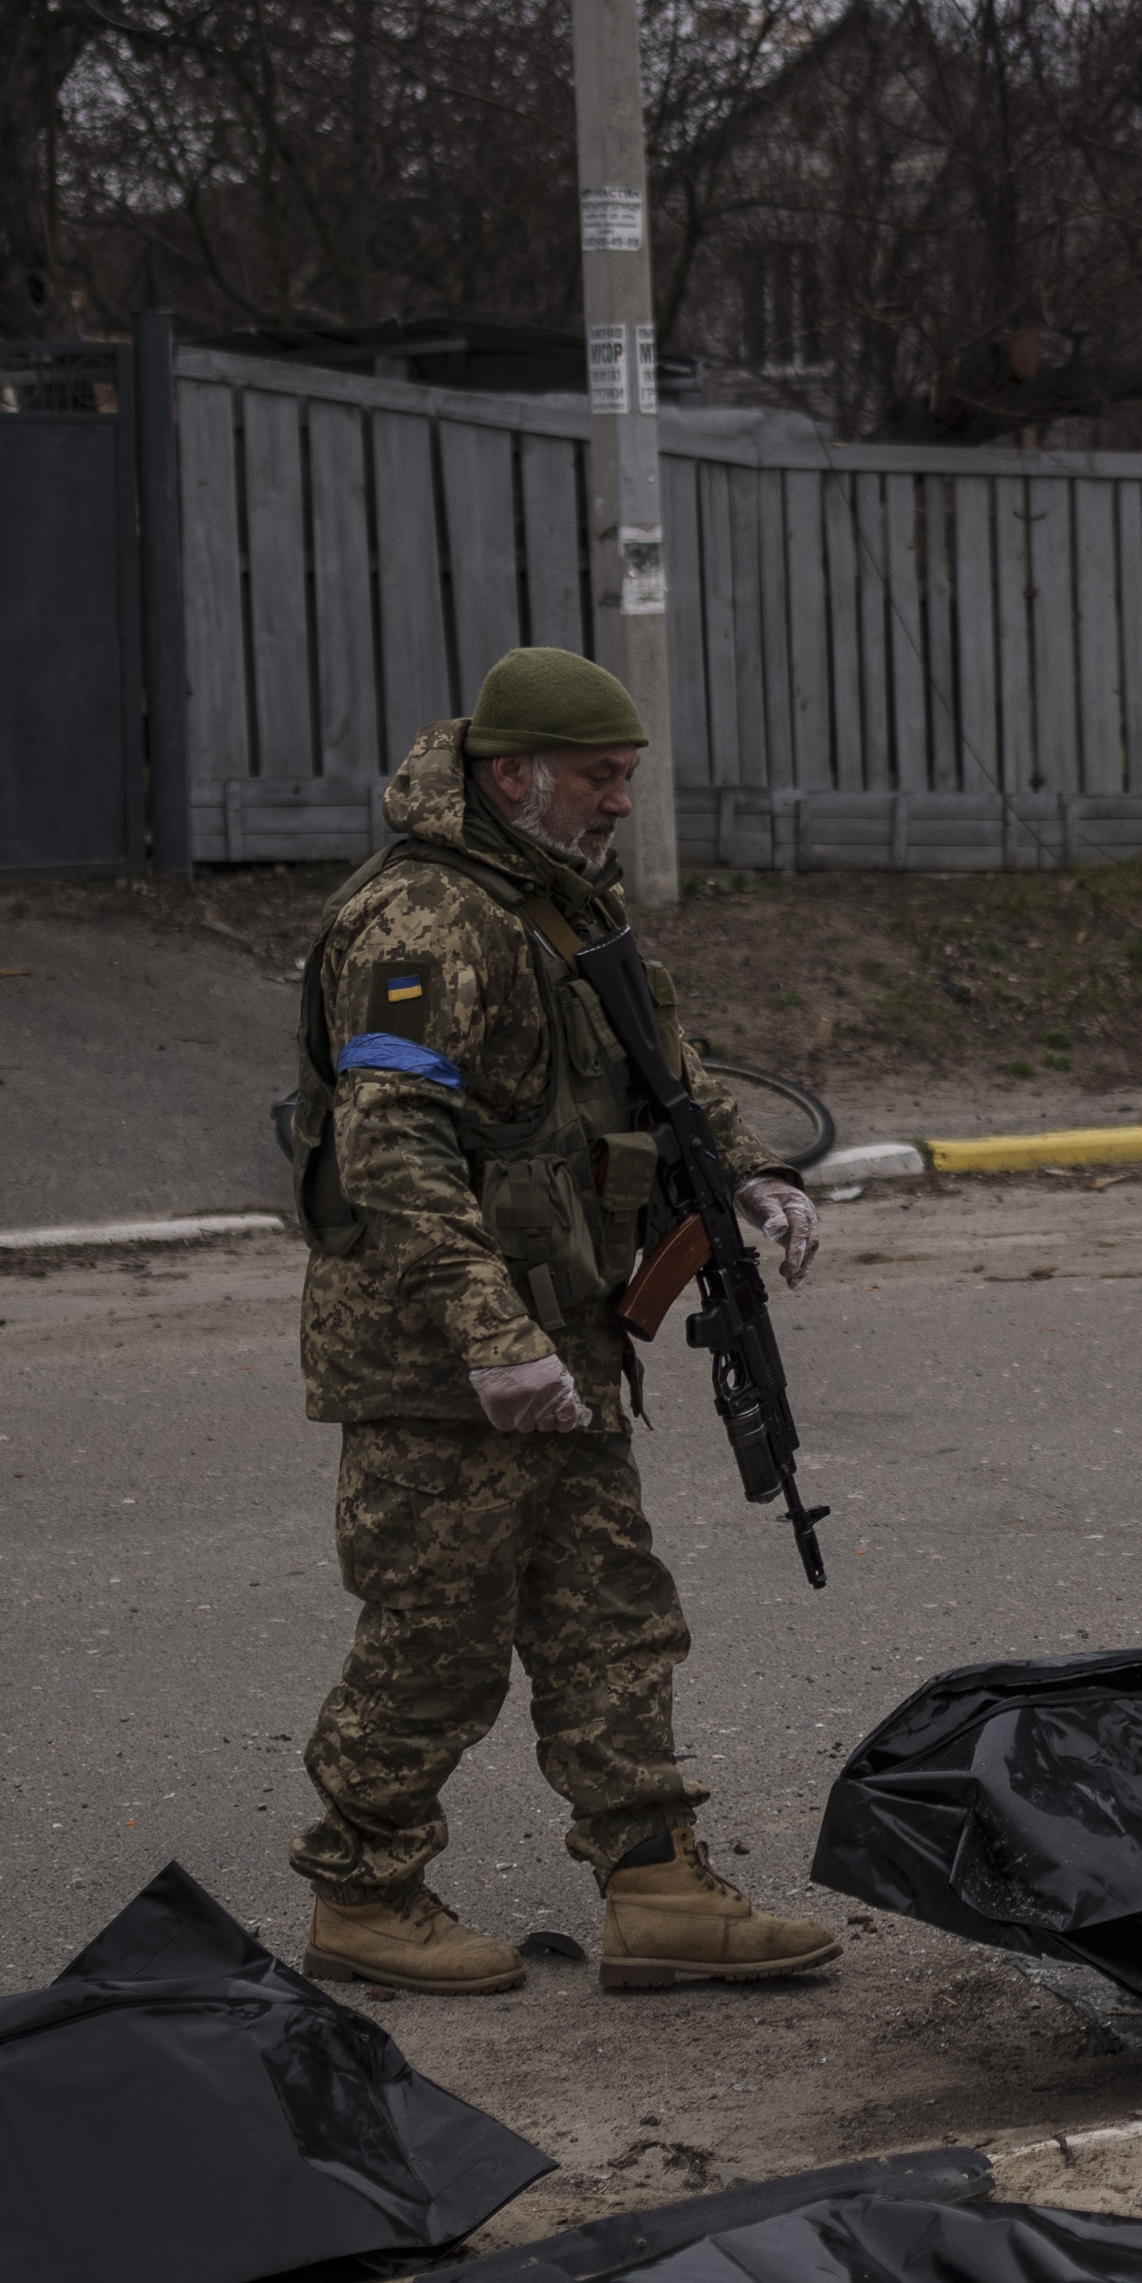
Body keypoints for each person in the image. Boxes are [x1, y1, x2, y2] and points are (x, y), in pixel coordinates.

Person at [277, 646, 833, 1998]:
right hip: (438, 1355)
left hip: (564, 1328)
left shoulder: (558, 902)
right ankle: (362, 1889)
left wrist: (749, 1169)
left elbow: (668, 1072)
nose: (617, 803)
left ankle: (655, 1883)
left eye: (628, 779)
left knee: (610, 1607)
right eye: (598, 777)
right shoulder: (423, 920)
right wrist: (491, 1336)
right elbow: (392, 1150)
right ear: (510, 773)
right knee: (440, 1626)